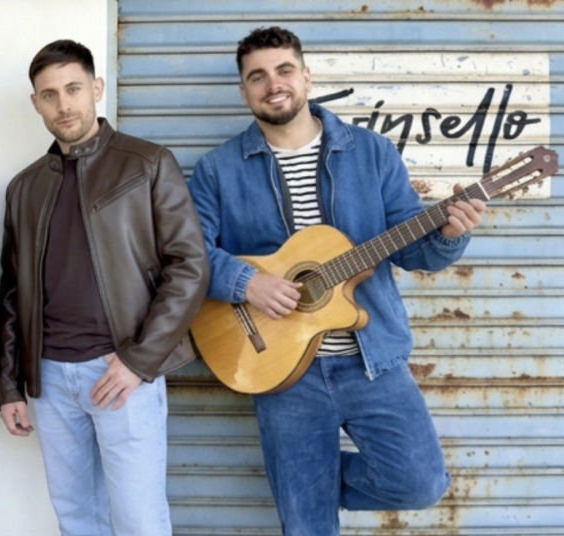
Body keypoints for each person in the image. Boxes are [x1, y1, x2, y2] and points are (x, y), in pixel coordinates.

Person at [188, 26, 487, 535]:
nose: (273, 84)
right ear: (244, 91)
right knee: (307, 526)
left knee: (418, 483)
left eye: (284, 70)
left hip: (373, 359)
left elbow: (411, 248)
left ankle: (310, 482)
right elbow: (188, 254)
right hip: (281, 368)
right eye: (257, 77)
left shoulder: (372, 153)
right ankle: (305, 492)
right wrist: (247, 283)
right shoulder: (218, 170)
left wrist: (448, 236)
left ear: (306, 77)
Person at [0, 39, 209, 536]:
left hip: (122, 370)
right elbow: (10, 294)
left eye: (73, 89)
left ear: (97, 88)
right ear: (35, 103)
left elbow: (190, 267)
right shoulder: (25, 187)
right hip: (50, 379)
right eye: (49, 95)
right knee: (77, 520)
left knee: (140, 522)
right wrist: (9, 385)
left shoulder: (147, 163)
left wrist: (139, 360)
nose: (63, 105)